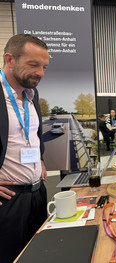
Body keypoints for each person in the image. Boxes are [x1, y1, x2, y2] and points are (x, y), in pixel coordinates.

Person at [0, 34, 50, 262]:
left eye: (44, 66)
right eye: (33, 65)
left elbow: (32, 135)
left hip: (37, 195)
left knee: (38, 256)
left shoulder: (31, 95)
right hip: (9, 203)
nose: (40, 73)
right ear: (10, 60)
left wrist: (38, 159)